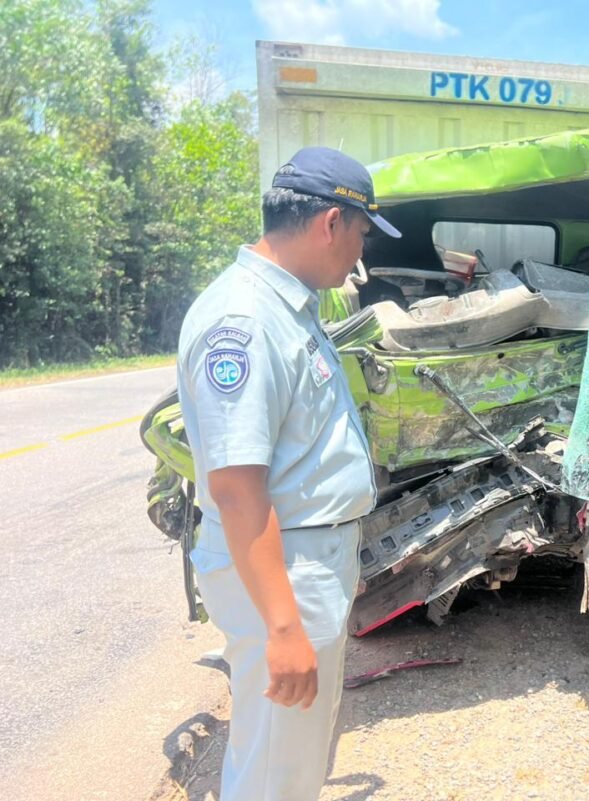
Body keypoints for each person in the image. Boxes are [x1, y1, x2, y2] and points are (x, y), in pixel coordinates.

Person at [176, 147, 401, 801]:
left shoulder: (287, 306)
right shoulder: (242, 320)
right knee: (276, 770)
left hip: (305, 560)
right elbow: (237, 486)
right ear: (332, 221)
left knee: (294, 759)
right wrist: (281, 625)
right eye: (360, 234)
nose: (358, 255)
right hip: (283, 570)